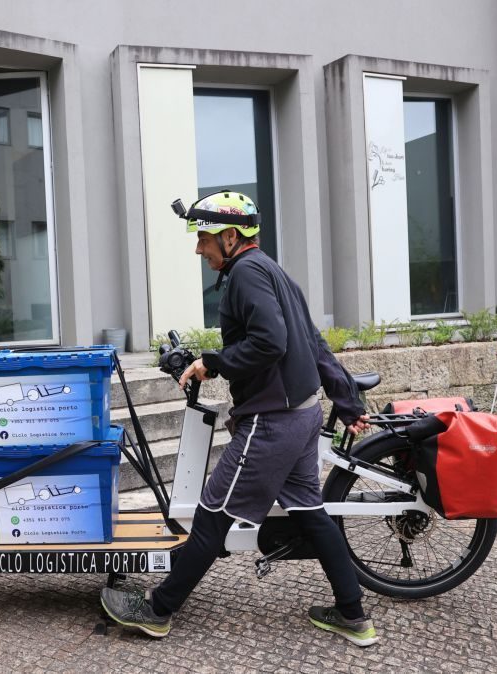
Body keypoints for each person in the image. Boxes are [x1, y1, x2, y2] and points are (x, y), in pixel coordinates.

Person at [100, 191, 378, 647]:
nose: (199, 248)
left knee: (211, 519)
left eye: (204, 238)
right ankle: (353, 615)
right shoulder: (272, 270)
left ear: (231, 237)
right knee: (312, 514)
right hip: (303, 415)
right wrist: (345, 402)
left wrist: (215, 362)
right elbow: (313, 342)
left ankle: (157, 610)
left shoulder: (246, 274)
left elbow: (272, 342)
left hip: (272, 423)